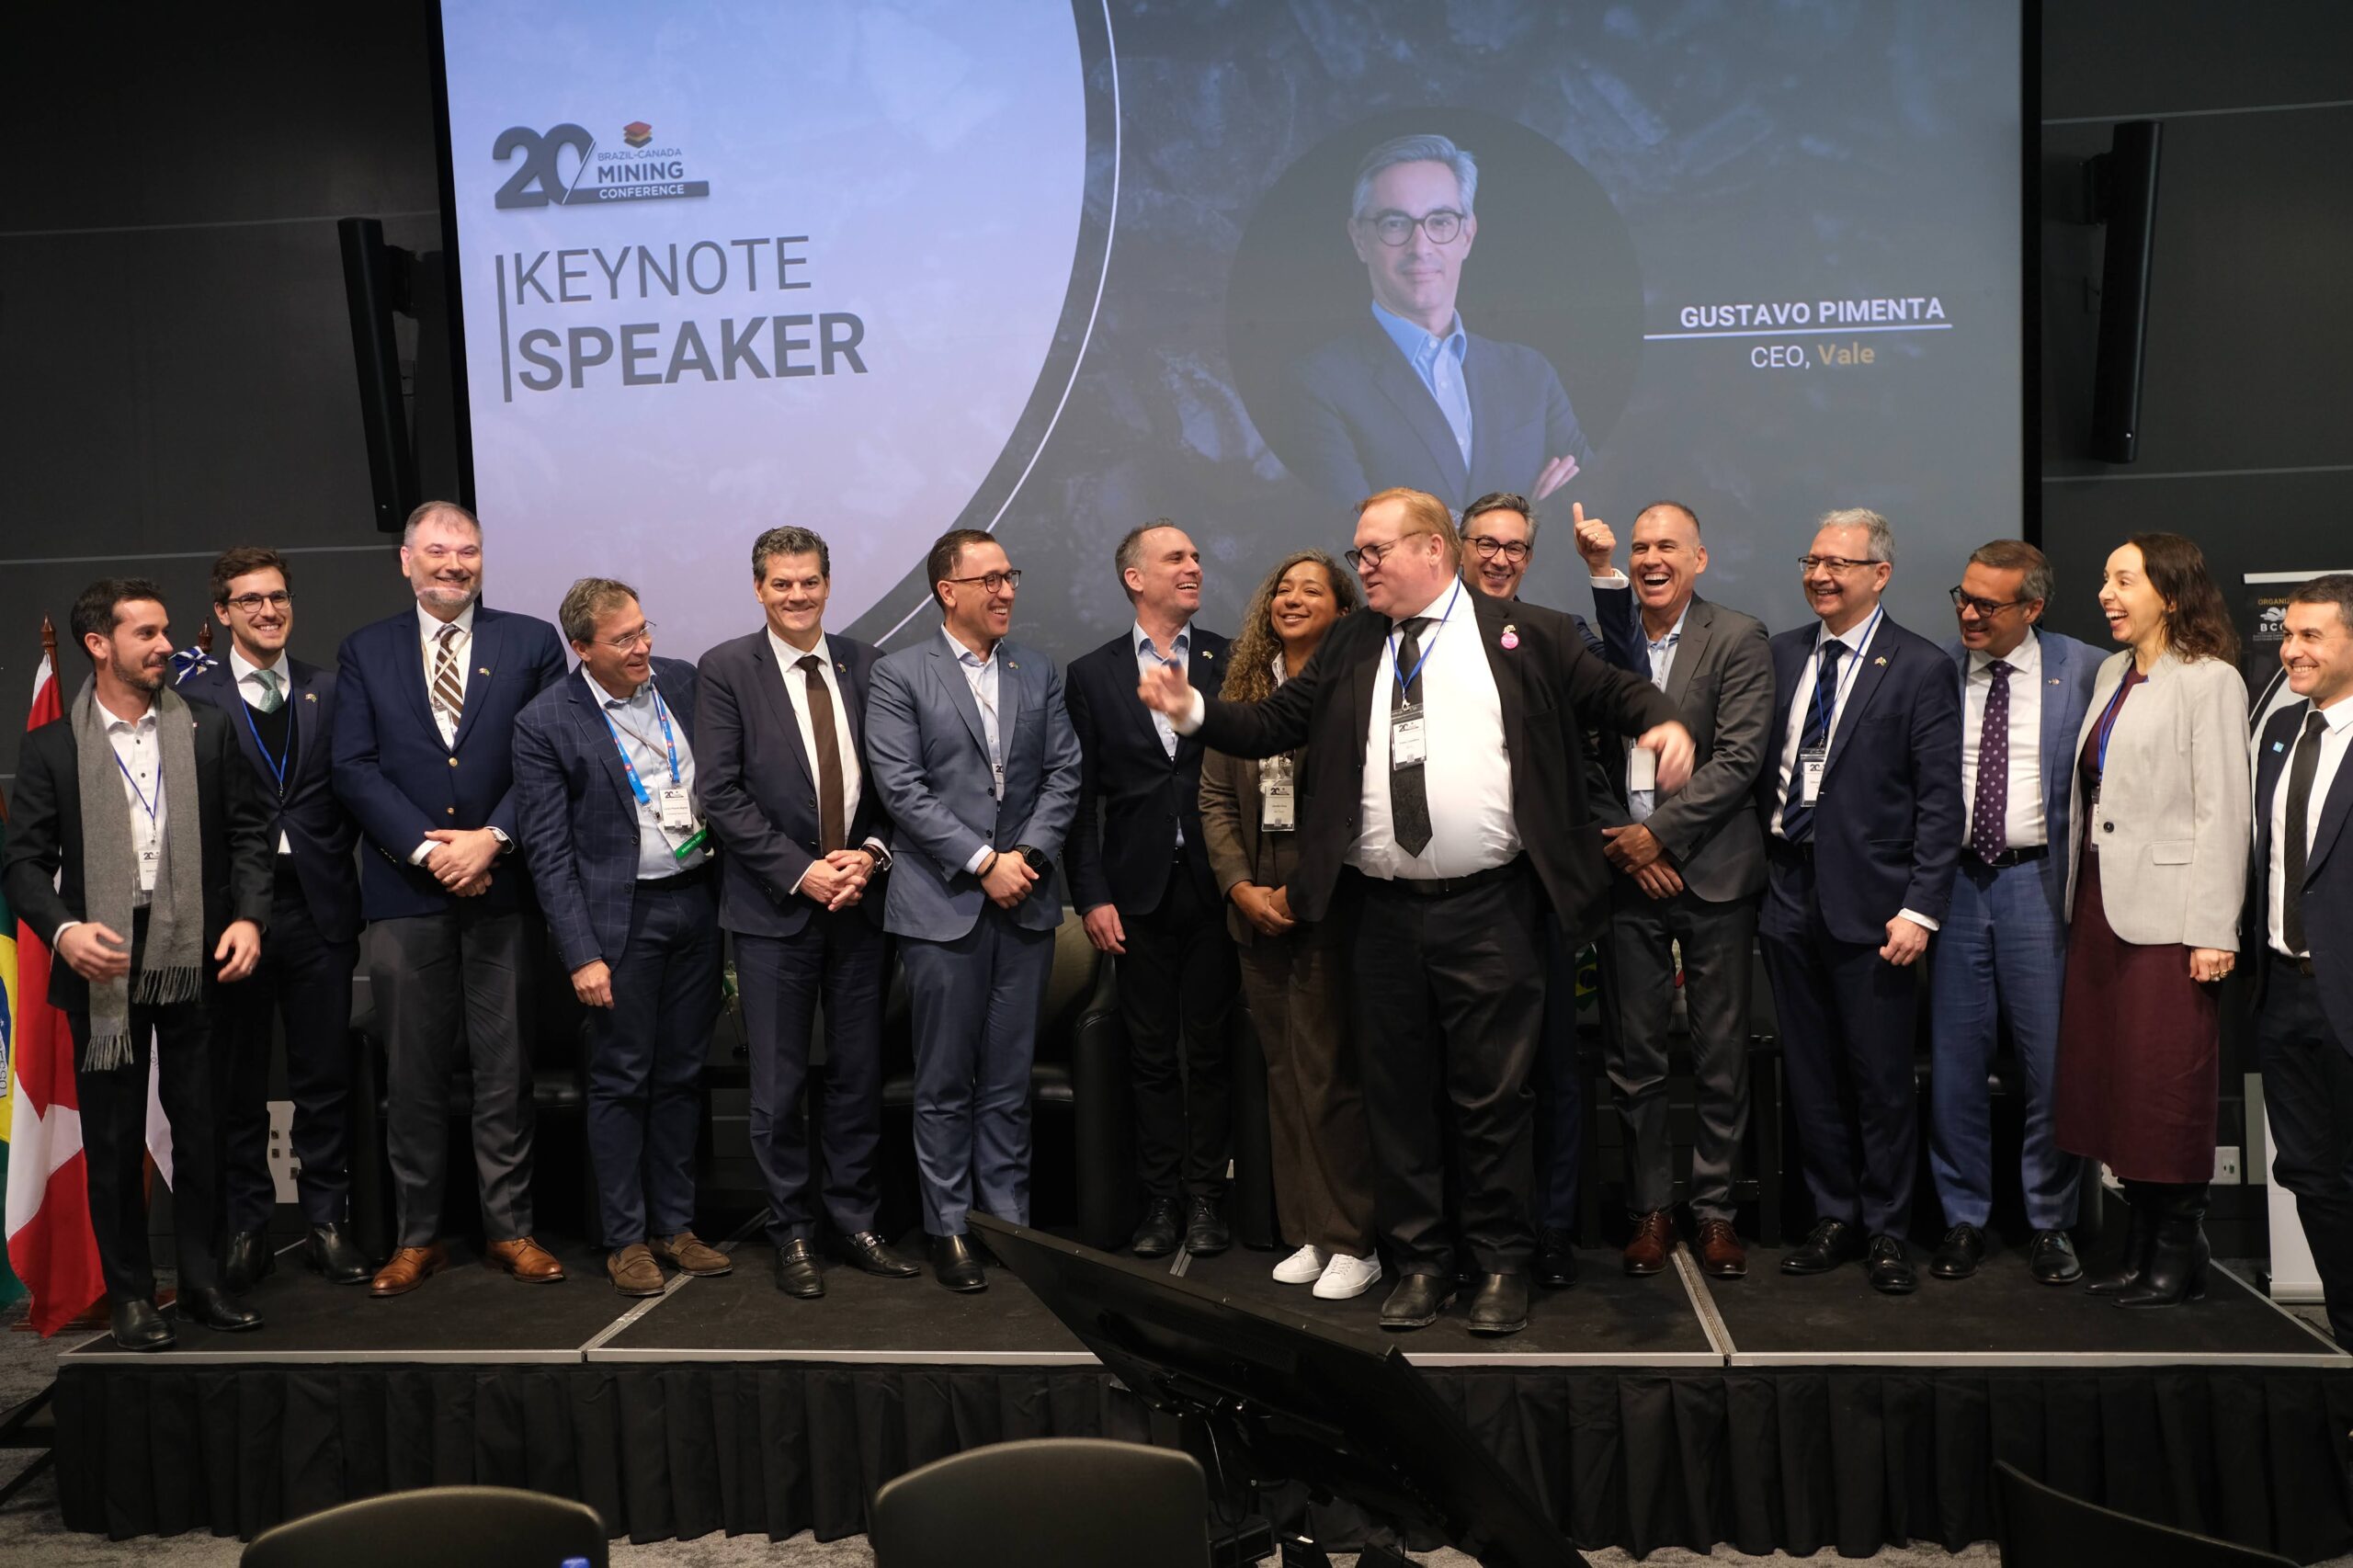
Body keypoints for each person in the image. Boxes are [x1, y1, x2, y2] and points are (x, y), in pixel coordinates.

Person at [1138, 487, 1692, 1336]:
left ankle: (1499, 1264)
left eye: (1375, 551)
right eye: (1358, 553)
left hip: (1493, 908)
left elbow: (1617, 693)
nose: (1361, 566)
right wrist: (1195, 711)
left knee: (1493, 1100)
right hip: (1380, 913)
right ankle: (1423, 1262)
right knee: (1396, 1096)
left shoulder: (1528, 633)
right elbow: (1275, 721)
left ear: (1433, 550)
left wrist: (1664, 723)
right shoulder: (1354, 640)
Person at [4, 579, 272, 1349]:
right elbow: (24, 864)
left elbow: (250, 834)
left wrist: (249, 917)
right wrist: (62, 933)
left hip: (196, 952)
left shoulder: (207, 729)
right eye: (147, 634)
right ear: (99, 645)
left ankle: (203, 1285)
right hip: (103, 960)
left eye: (164, 632)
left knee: (203, 1130)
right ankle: (129, 1296)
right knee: (115, 1140)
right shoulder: (54, 746)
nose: (165, 647)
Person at [332, 501, 567, 1297]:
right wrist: (433, 851)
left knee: (506, 1070)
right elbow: (354, 767)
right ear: (406, 561)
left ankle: (510, 1230)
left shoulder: (531, 642)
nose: (453, 564)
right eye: (437, 551)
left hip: (504, 888)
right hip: (406, 893)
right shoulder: (365, 650)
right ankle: (417, 1238)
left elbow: (548, 757)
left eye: (467, 551)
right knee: (414, 1076)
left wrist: (491, 839)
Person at [693, 528, 915, 1298]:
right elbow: (719, 794)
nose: (798, 596)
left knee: (857, 1077)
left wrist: (872, 855)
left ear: (828, 583)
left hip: (859, 906)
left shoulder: (868, 664)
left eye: (810, 582)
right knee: (779, 1087)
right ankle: (791, 1231)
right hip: (772, 912)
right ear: (759, 588)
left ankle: (853, 1222)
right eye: (782, 584)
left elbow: (896, 783)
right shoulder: (727, 669)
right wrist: (801, 872)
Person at [866, 528, 1082, 1291]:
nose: (1006, 590)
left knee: (1007, 1080)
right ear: (946, 591)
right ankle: (949, 1226)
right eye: (988, 579)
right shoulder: (900, 675)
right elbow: (901, 790)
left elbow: (1064, 774)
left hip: (1024, 903)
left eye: (1009, 576)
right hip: (942, 908)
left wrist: (1026, 859)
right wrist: (985, 862)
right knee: (944, 1081)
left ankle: (1007, 1223)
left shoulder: (1036, 670)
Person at [1758, 509, 1962, 1296]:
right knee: (1810, 1073)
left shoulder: (1918, 666)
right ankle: (1833, 1215)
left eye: (1838, 564)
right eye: (1812, 561)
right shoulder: (1781, 655)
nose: (1820, 576)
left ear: (1880, 574)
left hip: (1877, 907)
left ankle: (1886, 1228)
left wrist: (1921, 909)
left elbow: (1939, 803)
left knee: (1879, 1078)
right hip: (1787, 892)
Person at [512, 579, 732, 1297]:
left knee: (681, 1075)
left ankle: (676, 1226)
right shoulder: (547, 720)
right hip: (620, 921)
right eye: (624, 639)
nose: (643, 647)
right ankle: (626, 1239)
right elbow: (548, 851)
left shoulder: (682, 682)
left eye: (643, 629)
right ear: (582, 648)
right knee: (621, 1080)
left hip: (697, 903)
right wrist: (582, 954)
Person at [2055, 533, 2249, 1309]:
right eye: (2105, 579)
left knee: (2166, 1083)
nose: (2106, 593)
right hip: (2100, 904)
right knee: (2115, 1080)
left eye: (2124, 580)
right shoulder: (2112, 673)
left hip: (2172, 917)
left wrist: (2213, 930)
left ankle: (2181, 1248)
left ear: (2169, 594)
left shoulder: (2211, 681)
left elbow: (2224, 811)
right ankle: (2137, 1244)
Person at [1583, 502, 1773, 1281]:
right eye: (1640, 547)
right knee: (1635, 1058)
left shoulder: (1738, 637)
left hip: (1714, 872)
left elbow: (1740, 758)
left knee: (1719, 1053)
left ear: (1700, 558)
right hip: (1627, 878)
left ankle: (1716, 1210)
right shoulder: (1603, 644)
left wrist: (1660, 836)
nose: (1651, 559)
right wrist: (1629, 850)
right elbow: (1586, 758)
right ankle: (1650, 1210)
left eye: (1667, 546)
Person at [1461, 489, 1638, 1284]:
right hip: (1455, 894)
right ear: (1456, 548)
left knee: (1555, 1067)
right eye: (1486, 544)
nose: (1501, 559)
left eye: (1515, 548)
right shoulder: (1414, 640)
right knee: (1470, 1076)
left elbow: (1624, 680)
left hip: (1543, 890)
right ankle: (1475, 1235)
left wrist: (1603, 574)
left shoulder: (1553, 631)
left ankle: (1553, 1232)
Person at [179, 549, 368, 1290]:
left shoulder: (331, 689)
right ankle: (247, 1227)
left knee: (324, 1078)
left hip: (320, 908)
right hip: (234, 920)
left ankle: (327, 1222)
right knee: (238, 1084)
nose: (268, 611)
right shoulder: (192, 697)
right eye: (251, 600)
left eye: (279, 597)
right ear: (222, 612)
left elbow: (356, 786)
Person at [1196, 550, 1381, 1300]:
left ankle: (1353, 1240)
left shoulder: (1352, 687)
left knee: (1328, 1075)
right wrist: (1240, 888)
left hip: (1327, 908)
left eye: (1312, 590)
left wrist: (1298, 894)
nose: (1292, 599)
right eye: (1283, 588)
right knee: (1283, 1075)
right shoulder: (1244, 688)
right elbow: (1214, 799)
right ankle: (1309, 1229)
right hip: (1256, 912)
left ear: (1343, 612)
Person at [1926, 541, 2102, 1285]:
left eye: (1987, 605)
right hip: (1955, 886)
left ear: (2032, 608)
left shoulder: (2087, 669)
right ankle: (1963, 1219)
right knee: (1955, 1066)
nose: (1968, 614)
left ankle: (2050, 1222)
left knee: (2050, 1066)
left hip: (2040, 882)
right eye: (1962, 598)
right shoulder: (1935, 671)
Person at [1065, 521, 1241, 1257]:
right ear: (1135, 578)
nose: (1194, 566)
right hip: (1132, 893)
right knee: (1148, 1054)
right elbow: (1079, 803)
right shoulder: (1092, 674)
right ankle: (1160, 1202)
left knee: (1212, 1050)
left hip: (1217, 886)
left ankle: (1207, 1200)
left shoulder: (1232, 659)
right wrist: (1091, 895)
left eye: (1197, 555)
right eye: (1176, 558)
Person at [1287, 135, 1591, 514]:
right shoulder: (1317, 384)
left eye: (1441, 221)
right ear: (1359, 239)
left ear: (1468, 234)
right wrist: (1526, 515)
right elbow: (1359, 529)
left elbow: (1592, 503)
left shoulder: (1530, 374)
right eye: (1395, 224)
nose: (1421, 247)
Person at [2247, 574, 2353, 1344]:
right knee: (2310, 1174)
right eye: (2287, 634)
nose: (2290, 650)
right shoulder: (2281, 729)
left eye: (2310, 635)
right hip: (2283, 990)